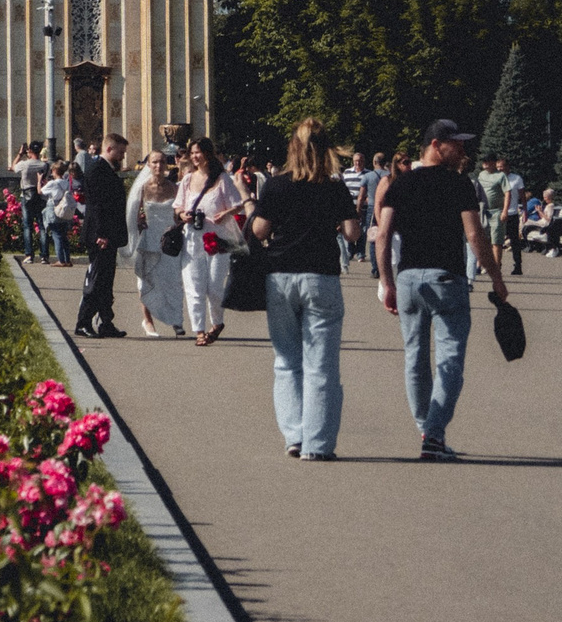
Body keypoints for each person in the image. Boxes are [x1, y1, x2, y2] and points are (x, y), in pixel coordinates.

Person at [376, 119, 509, 461]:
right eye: (456, 144)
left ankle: (427, 430)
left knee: (415, 358)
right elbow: (475, 235)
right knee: (449, 360)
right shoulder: (458, 183)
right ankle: (433, 435)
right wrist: (495, 276)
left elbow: (383, 233)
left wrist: (386, 281)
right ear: (436, 144)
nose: (463, 150)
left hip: (407, 279)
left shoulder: (400, 184)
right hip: (446, 278)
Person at [251, 120, 363, 460]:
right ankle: (319, 444)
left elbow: (257, 230)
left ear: (293, 148)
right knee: (322, 365)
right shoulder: (334, 187)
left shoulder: (276, 185)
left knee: (287, 361)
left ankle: (294, 436)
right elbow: (352, 234)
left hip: (281, 275)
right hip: (321, 275)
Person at [174, 138, 245, 345]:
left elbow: (238, 204)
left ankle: (217, 322)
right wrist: (182, 215)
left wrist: (225, 213)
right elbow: (177, 207)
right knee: (194, 285)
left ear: (207, 154)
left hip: (218, 240)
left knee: (214, 287)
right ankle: (199, 330)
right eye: (192, 153)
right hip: (193, 239)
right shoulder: (187, 179)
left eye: (199, 152)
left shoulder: (222, 178)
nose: (195, 157)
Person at [123, 148, 187, 338]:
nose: (158, 166)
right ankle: (148, 320)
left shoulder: (174, 188)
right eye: (155, 162)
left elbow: (179, 212)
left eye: (162, 162)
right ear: (148, 165)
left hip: (168, 241)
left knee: (172, 281)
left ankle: (176, 319)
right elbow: (131, 213)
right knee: (146, 281)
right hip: (149, 239)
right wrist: (138, 223)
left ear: (167, 165)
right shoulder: (142, 188)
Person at [73, 135, 131, 338]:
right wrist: (101, 234)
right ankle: (83, 322)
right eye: (121, 152)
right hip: (101, 236)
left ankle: (106, 322)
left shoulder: (106, 169)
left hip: (108, 235)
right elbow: (98, 205)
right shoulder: (98, 170)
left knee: (106, 282)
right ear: (109, 149)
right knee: (97, 280)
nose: (123, 156)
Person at [13, 143, 48, 259]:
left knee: (28, 226)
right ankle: (44, 255)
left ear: (30, 151)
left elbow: (13, 167)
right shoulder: (44, 165)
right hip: (39, 196)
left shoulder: (24, 164)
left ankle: (29, 254)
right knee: (42, 226)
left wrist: (20, 154)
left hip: (26, 195)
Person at [40, 161, 77, 266]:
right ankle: (67, 259)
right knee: (63, 236)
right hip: (64, 209)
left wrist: (39, 181)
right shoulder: (66, 183)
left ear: (55, 171)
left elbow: (40, 191)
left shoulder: (52, 183)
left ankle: (60, 260)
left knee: (56, 235)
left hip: (54, 209)